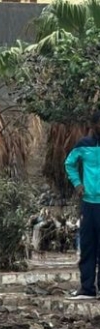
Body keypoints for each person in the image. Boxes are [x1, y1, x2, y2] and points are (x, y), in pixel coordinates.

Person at [65, 111, 100, 300]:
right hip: (89, 204)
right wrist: (77, 183)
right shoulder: (83, 145)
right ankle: (87, 288)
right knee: (87, 246)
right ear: (93, 125)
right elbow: (69, 164)